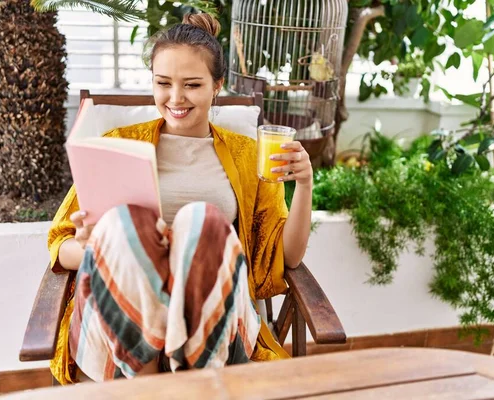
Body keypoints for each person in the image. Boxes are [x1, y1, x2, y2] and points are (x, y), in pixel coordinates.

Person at [47, 13, 313, 384]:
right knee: (127, 225)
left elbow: (287, 256)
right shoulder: (118, 144)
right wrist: (91, 246)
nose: (176, 98)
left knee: (201, 222)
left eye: (192, 84)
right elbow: (61, 247)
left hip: (211, 324)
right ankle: (153, 378)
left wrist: (304, 184)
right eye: (163, 83)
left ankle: (176, 374)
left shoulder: (248, 156)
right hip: (122, 324)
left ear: (217, 85)